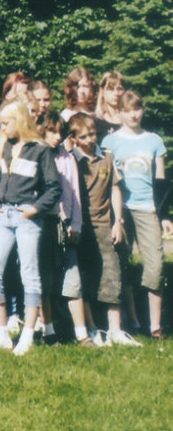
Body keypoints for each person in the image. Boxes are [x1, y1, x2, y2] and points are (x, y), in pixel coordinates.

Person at [0, 101, 61, 355]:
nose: (2, 129)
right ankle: (1, 333)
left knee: (29, 274)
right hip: (3, 217)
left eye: (6, 123)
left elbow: (54, 187)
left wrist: (36, 208)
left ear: (20, 121)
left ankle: (27, 334)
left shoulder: (40, 151)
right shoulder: (5, 148)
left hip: (27, 218)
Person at [101, 90, 173, 339]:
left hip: (147, 209)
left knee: (155, 266)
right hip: (122, 210)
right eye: (127, 110)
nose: (133, 115)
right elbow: (107, 179)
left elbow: (161, 180)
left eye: (137, 109)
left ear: (142, 110)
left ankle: (155, 326)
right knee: (122, 264)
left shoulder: (154, 141)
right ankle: (130, 321)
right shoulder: (110, 142)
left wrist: (164, 216)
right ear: (119, 113)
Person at [68, 112, 141, 347]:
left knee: (112, 274)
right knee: (86, 278)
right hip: (80, 226)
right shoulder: (71, 160)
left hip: (105, 224)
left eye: (93, 134)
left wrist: (118, 221)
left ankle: (115, 330)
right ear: (75, 138)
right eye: (85, 136)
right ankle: (92, 328)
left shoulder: (106, 157)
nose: (91, 139)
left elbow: (115, 189)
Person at [39, 112, 94, 345]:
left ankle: (82, 334)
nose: (56, 137)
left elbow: (74, 195)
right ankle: (48, 331)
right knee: (45, 280)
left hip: (65, 223)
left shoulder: (67, 158)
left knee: (73, 280)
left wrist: (76, 224)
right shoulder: (36, 155)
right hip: (43, 224)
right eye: (51, 131)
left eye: (60, 132)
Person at [95, 71, 125, 138]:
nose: (116, 93)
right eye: (111, 89)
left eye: (119, 89)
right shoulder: (96, 121)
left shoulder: (130, 118)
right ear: (102, 91)